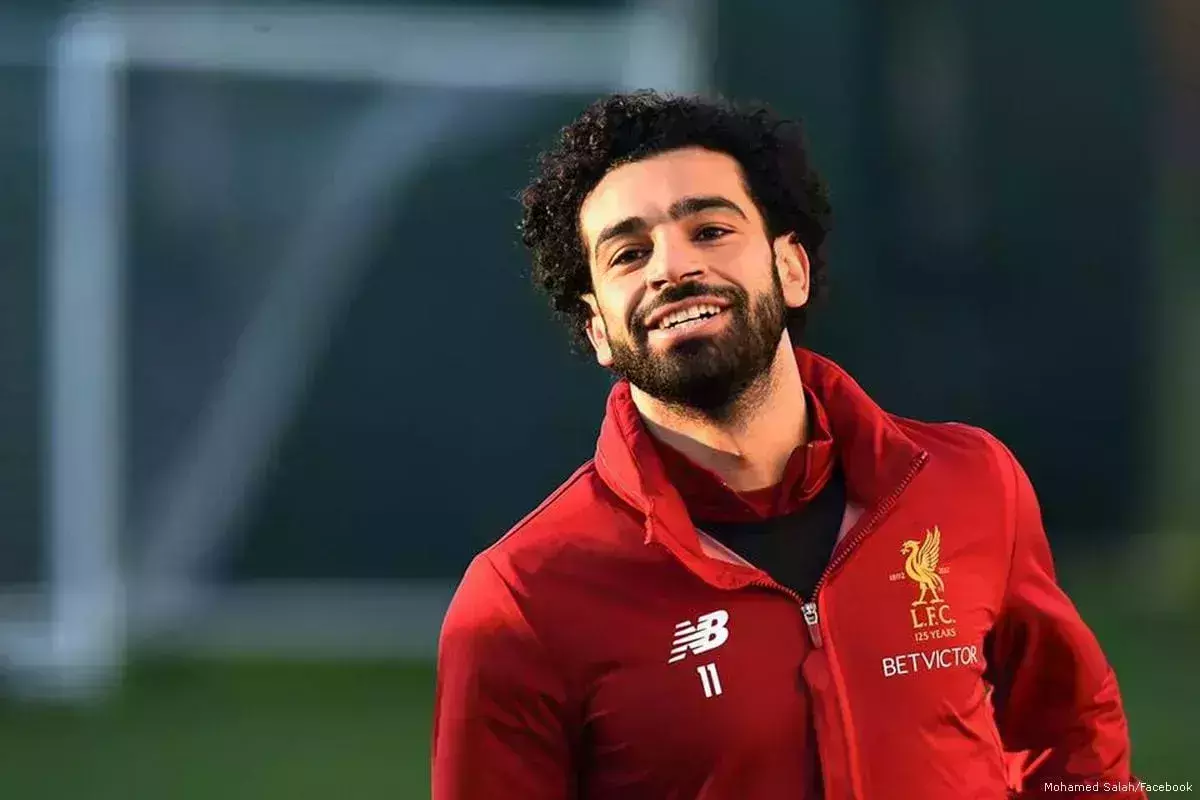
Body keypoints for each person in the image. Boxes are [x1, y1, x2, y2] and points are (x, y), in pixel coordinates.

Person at [431, 91, 1144, 800]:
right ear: (597, 330)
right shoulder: (521, 598)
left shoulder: (971, 482)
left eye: (710, 230)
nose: (671, 268)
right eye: (629, 253)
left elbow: (1074, 737)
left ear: (791, 270)